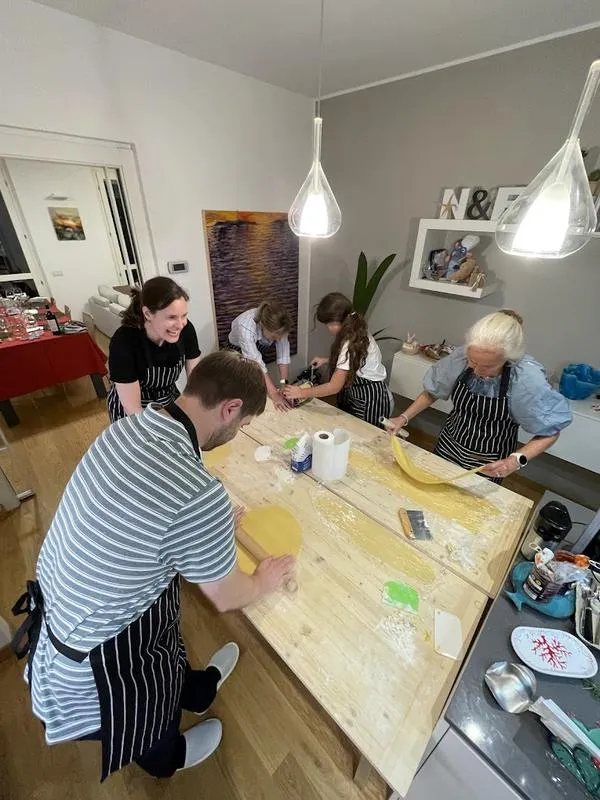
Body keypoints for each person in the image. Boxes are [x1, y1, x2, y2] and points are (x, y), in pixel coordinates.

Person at [11, 351, 296, 781]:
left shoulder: (127, 427)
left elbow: (141, 518)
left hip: (64, 605)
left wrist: (207, 530)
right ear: (230, 408)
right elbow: (226, 596)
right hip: (91, 658)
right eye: (243, 425)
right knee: (142, 718)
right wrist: (262, 579)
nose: (236, 434)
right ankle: (166, 758)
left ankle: (193, 691)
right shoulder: (199, 493)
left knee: (165, 654)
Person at [386, 310, 572, 482]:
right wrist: (403, 417)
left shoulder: (526, 379)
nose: (476, 371)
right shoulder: (461, 356)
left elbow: (550, 433)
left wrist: (514, 461)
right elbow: (431, 392)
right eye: (472, 361)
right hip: (449, 444)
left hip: (490, 462)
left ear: (508, 357)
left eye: (488, 366)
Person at [283, 292, 393, 427]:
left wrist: (301, 392)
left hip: (371, 398)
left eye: (330, 324)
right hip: (361, 391)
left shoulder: (350, 343)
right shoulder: (357, 330)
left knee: (367, 432)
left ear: (340, 321)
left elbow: (333, 387)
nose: (328, 328)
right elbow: (352, 360)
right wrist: (326, 360)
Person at [107, 276, 202, 422]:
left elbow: (196, 383)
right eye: (171, 317)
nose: (180, 325)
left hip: (168, 398)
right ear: (147, 314)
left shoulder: (186, 329)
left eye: (184, 316)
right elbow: (133, 410)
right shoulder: (124, 342)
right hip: (132, 411)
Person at [228, 301, 292, 412]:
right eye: (274, 337)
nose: (278, 340)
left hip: (255, 355)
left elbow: (283, 356)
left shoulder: (281, 324)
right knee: (241, 389)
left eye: (280, 337)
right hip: (235, 350)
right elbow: (257, 363)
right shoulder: (246, 326)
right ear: (262, 326)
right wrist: (273, 393)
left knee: (259, 385)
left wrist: (284, 385)